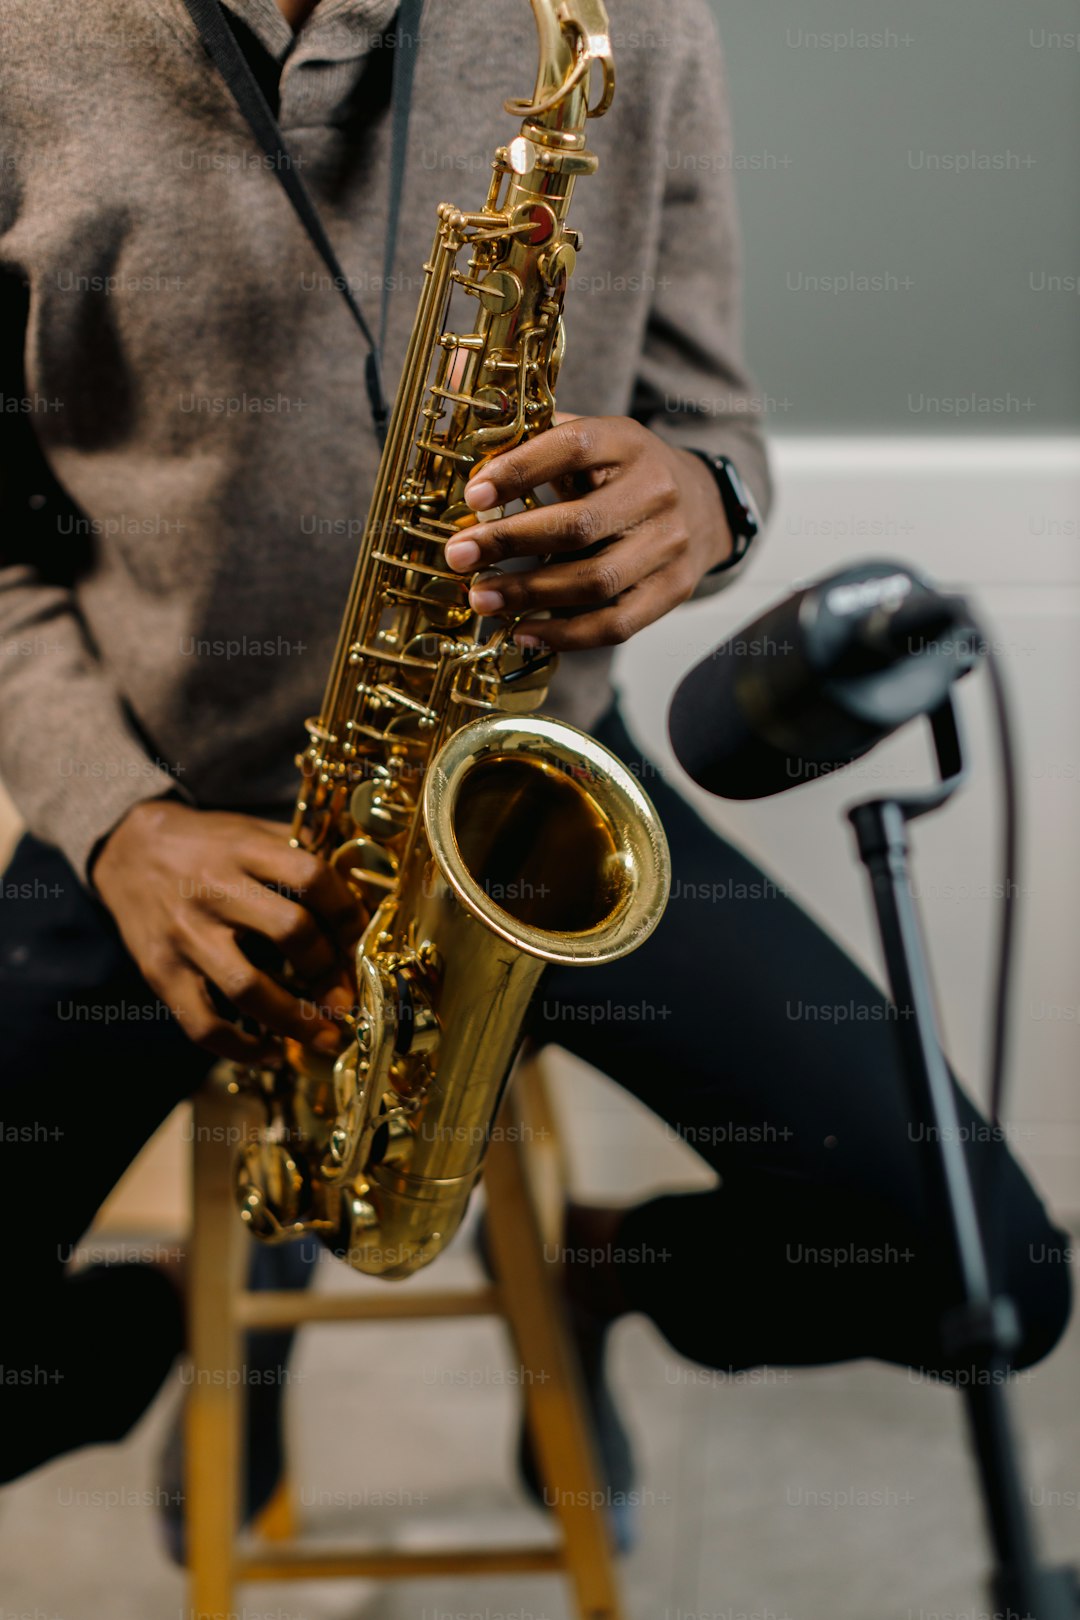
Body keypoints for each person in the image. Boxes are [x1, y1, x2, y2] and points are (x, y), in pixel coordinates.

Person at [0, 0, 1069, 1552]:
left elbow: (716, 431)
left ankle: (605, 1273)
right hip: (171, 817)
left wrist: (702, 506)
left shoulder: (623, 23)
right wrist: (114, 823)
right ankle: (182, 1318)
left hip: (525, 791)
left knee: (985, 1279)